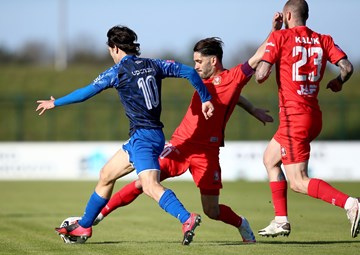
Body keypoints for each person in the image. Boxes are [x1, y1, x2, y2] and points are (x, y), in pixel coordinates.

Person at [92, 14, 283, 243]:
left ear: (214, 61)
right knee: (144, 182)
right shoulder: (199, 80)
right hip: (180, 144)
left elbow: (256, 58)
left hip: (207, 153)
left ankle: (242, 223)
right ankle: (98, 215)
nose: (195, 67)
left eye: (199, 62)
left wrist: (275, 31)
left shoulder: (233, 78)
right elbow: (230, 97)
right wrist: (251, 108)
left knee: (211, 210)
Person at [36, 25, 215, 245]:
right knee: (106, 175)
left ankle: (186, 218)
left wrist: (55, 102)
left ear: (115, 48)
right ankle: (84, 226)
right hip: (149, 136)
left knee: (149, 185)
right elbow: (188, 72)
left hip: (144, 138)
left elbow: (85, 93)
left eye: (110, 50)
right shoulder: (154, 64)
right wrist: (206, 98)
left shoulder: (117, 72)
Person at [255, 0, 359, 238]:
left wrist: (274, 34)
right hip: (312, 115)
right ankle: (281, 220)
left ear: (288, 15)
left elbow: (260, 75)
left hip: (294, 118)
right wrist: (338, 82)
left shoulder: (280, 38)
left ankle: (351, 204)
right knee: (270, 159)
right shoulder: (324, 39)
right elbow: (347, 67)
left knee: (298, 181)